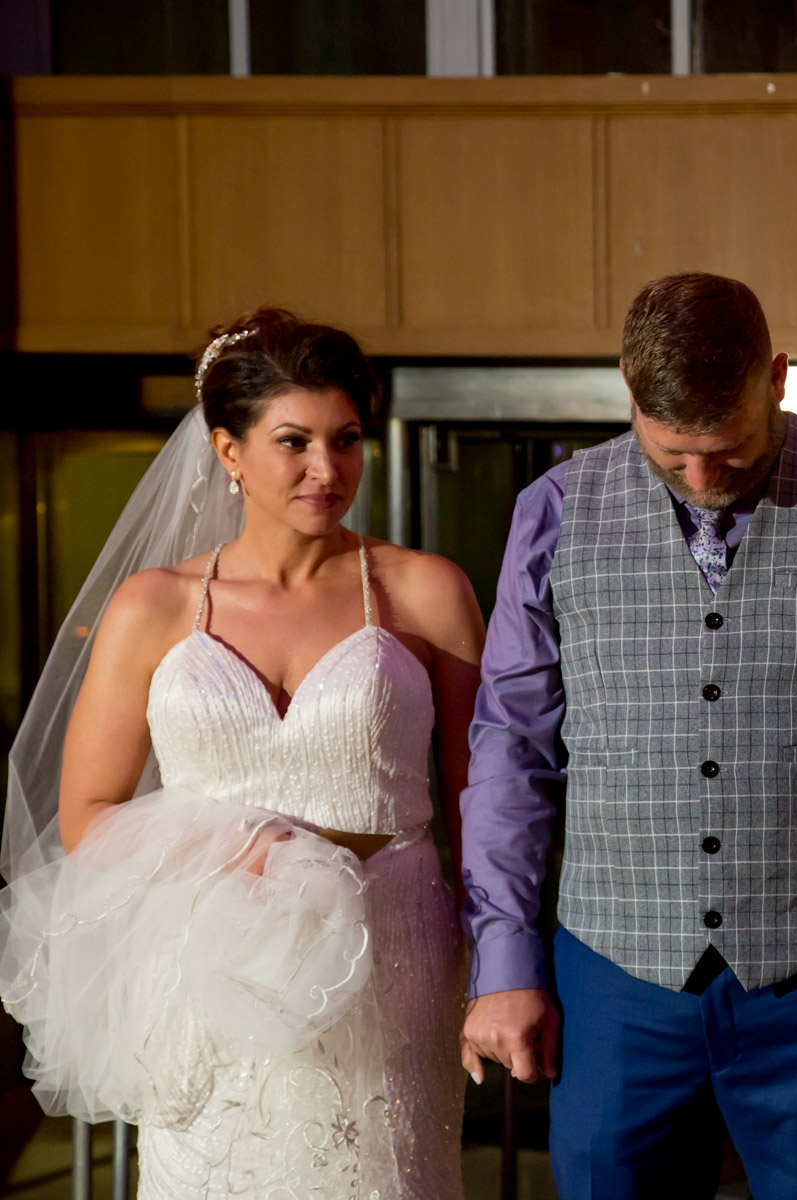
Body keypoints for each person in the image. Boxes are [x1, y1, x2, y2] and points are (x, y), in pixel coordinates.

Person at [458, 272, 797, 1198]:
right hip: (613, 981)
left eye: (730, 450)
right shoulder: (553, 511)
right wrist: (504, 955)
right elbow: (512, 745)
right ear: (629, 389)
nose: (703, 478)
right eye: (673, 454)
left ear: (777, 378)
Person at [0, 309, 484, 1199]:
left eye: (346, 440)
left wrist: (502, 970)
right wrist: (246, 843)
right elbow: (87, 819)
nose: (326, 469)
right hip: (212, 970)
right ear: (228, 451)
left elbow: (480, 805)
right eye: (294, 441)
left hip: (395, 959)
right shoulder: (153, 605)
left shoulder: (426, 590)